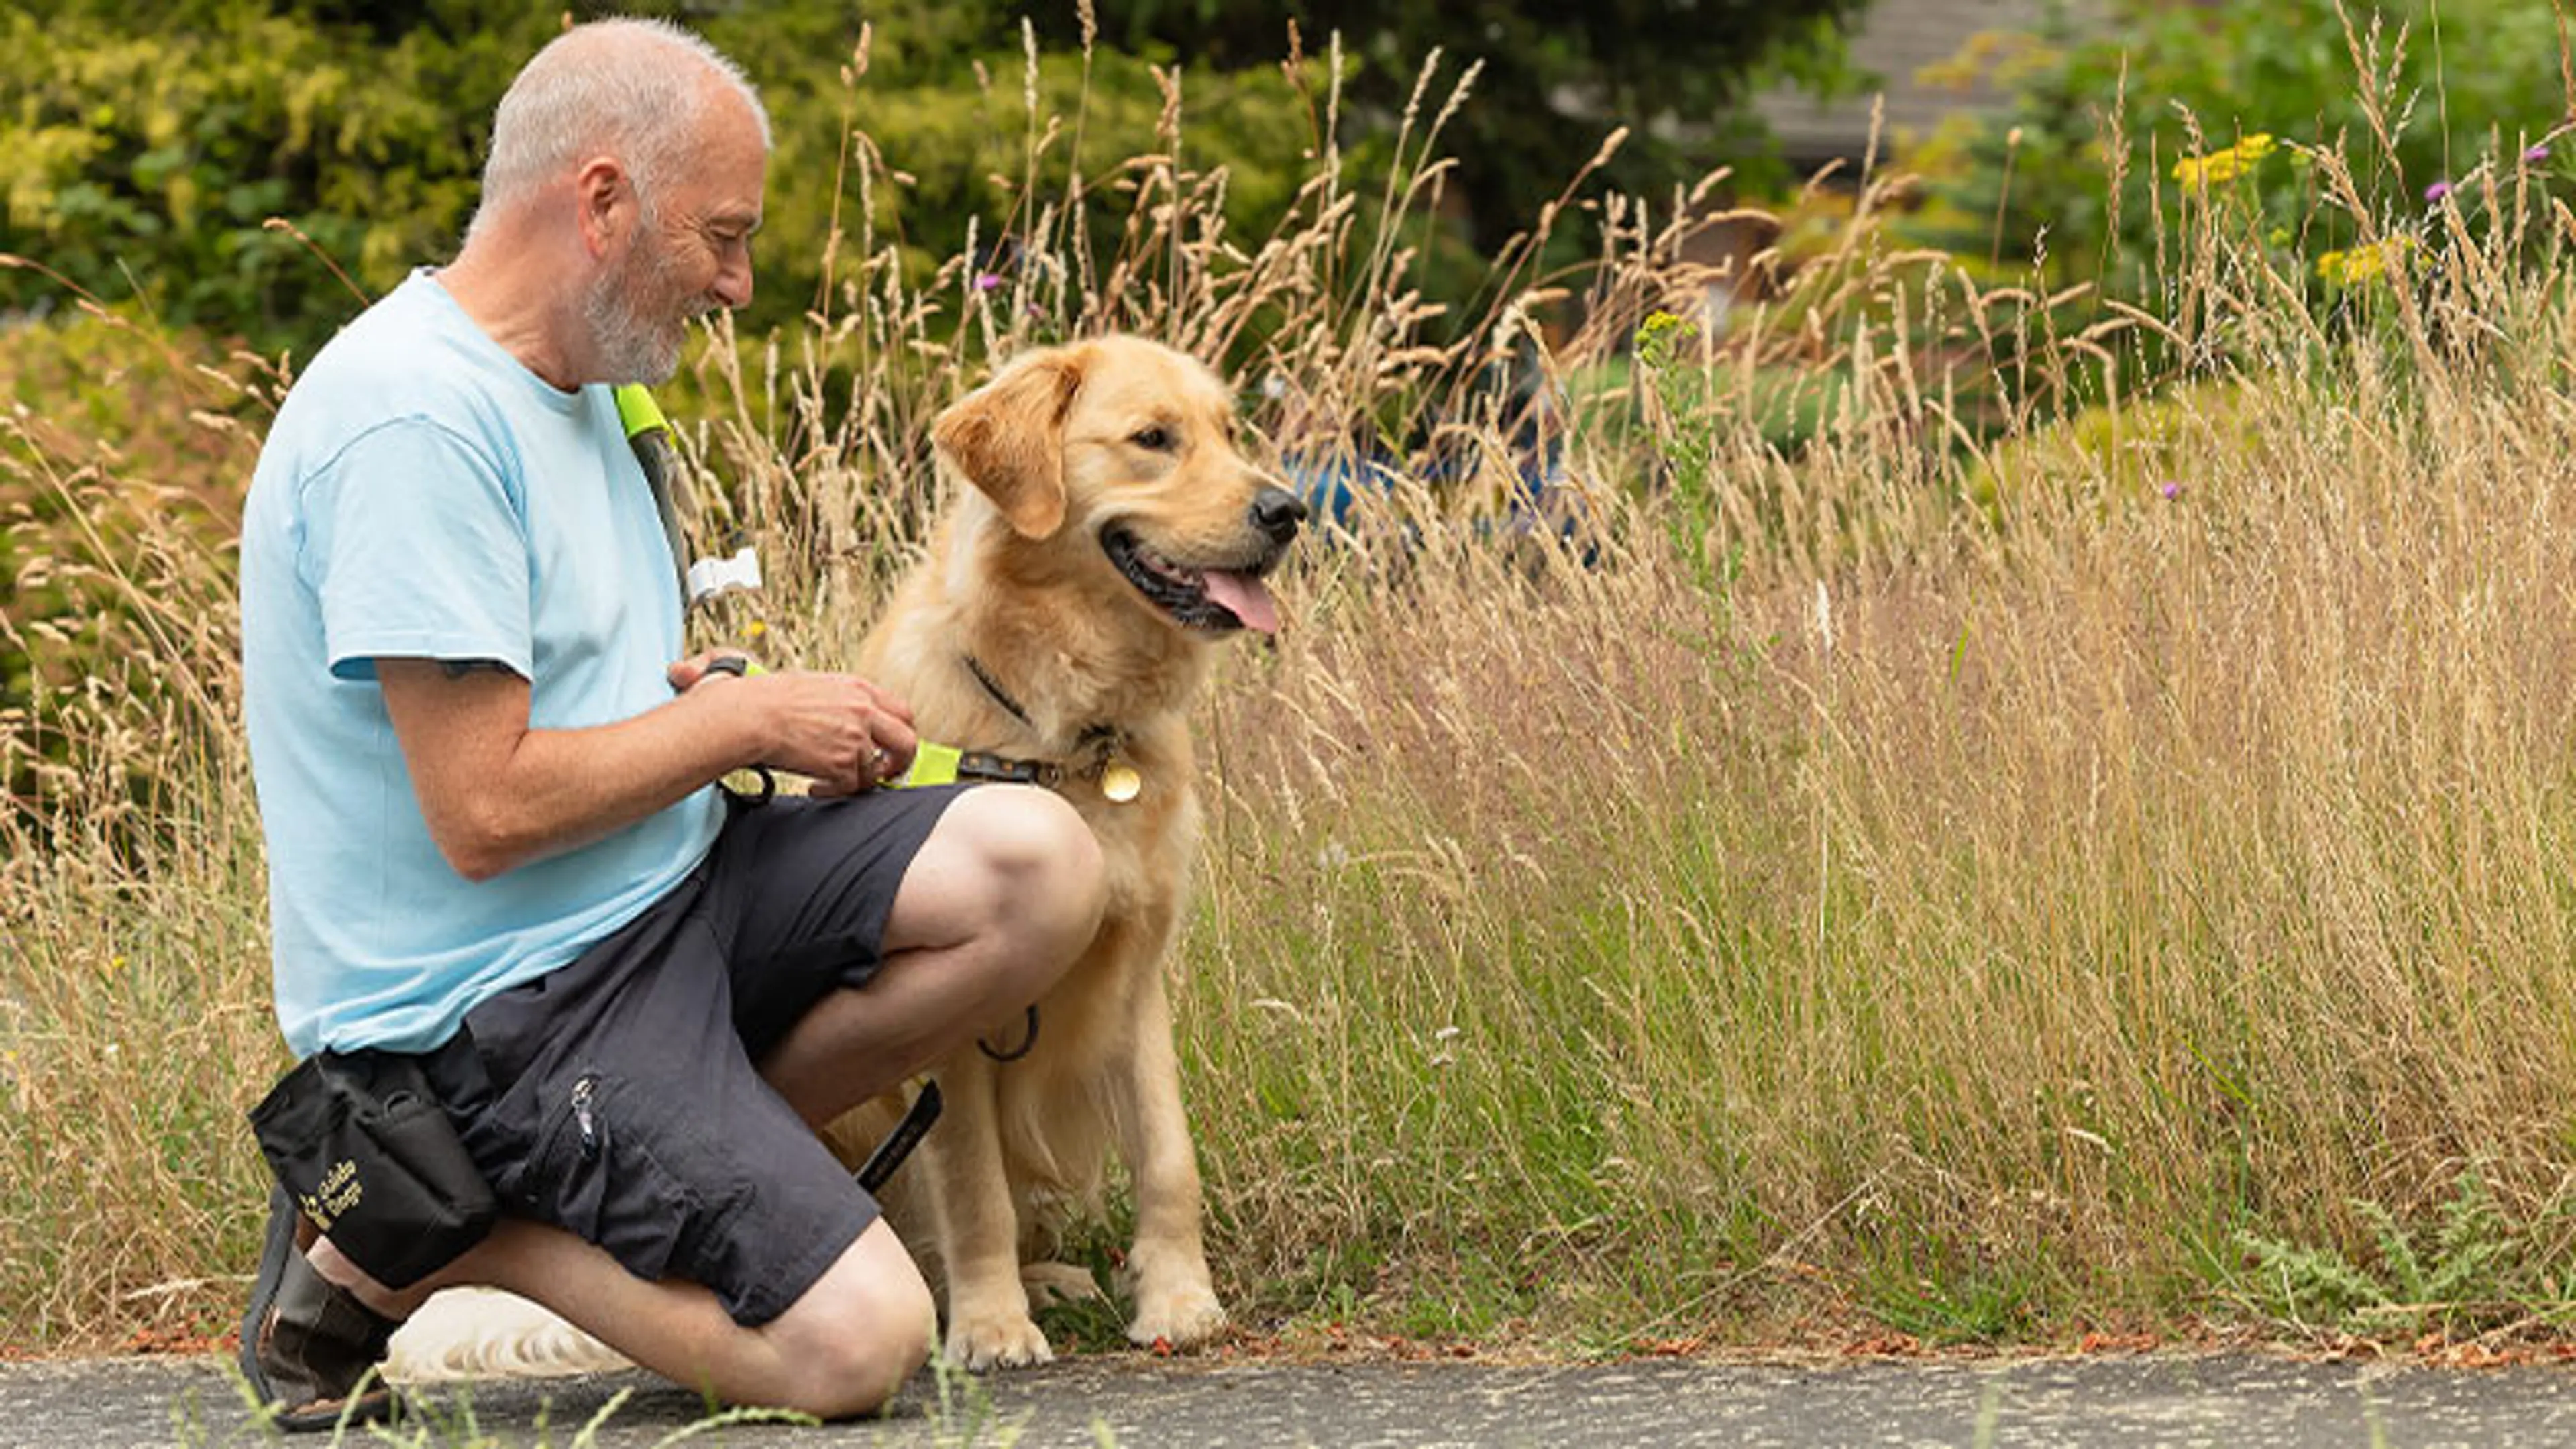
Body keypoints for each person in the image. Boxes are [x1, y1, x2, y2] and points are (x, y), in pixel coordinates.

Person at [233, 17, 1104, 1428]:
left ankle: (643, 1163)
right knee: (863, 1346)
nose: (739, 283)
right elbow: (485, 811)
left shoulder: (578, 392)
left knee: (1040, 863)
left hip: (669, 890)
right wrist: (739, 721)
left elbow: (564, 704)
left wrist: (709, 710)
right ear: (601, 202)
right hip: (504, 1003)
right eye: (723, 236)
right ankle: (425, 1227)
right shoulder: (413, 424)